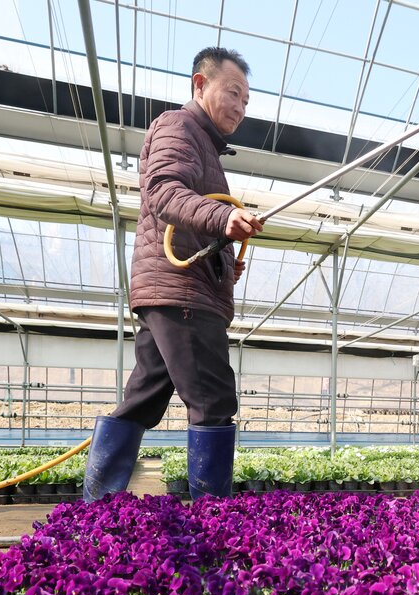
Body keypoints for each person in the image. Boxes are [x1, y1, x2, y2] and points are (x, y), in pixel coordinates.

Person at [84, 47, 263, 501]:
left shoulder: (204, 144)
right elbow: (164, 191)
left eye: (247, 101)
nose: (240, 108)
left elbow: (186, 219)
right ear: (200, 85)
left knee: (144, 398)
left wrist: (223, 258)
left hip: (177, 287)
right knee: (213, 398)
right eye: (233, 93)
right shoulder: (178, 127)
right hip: (181, 292)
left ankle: (97, 505)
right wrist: (222, 219)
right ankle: (212, 515)